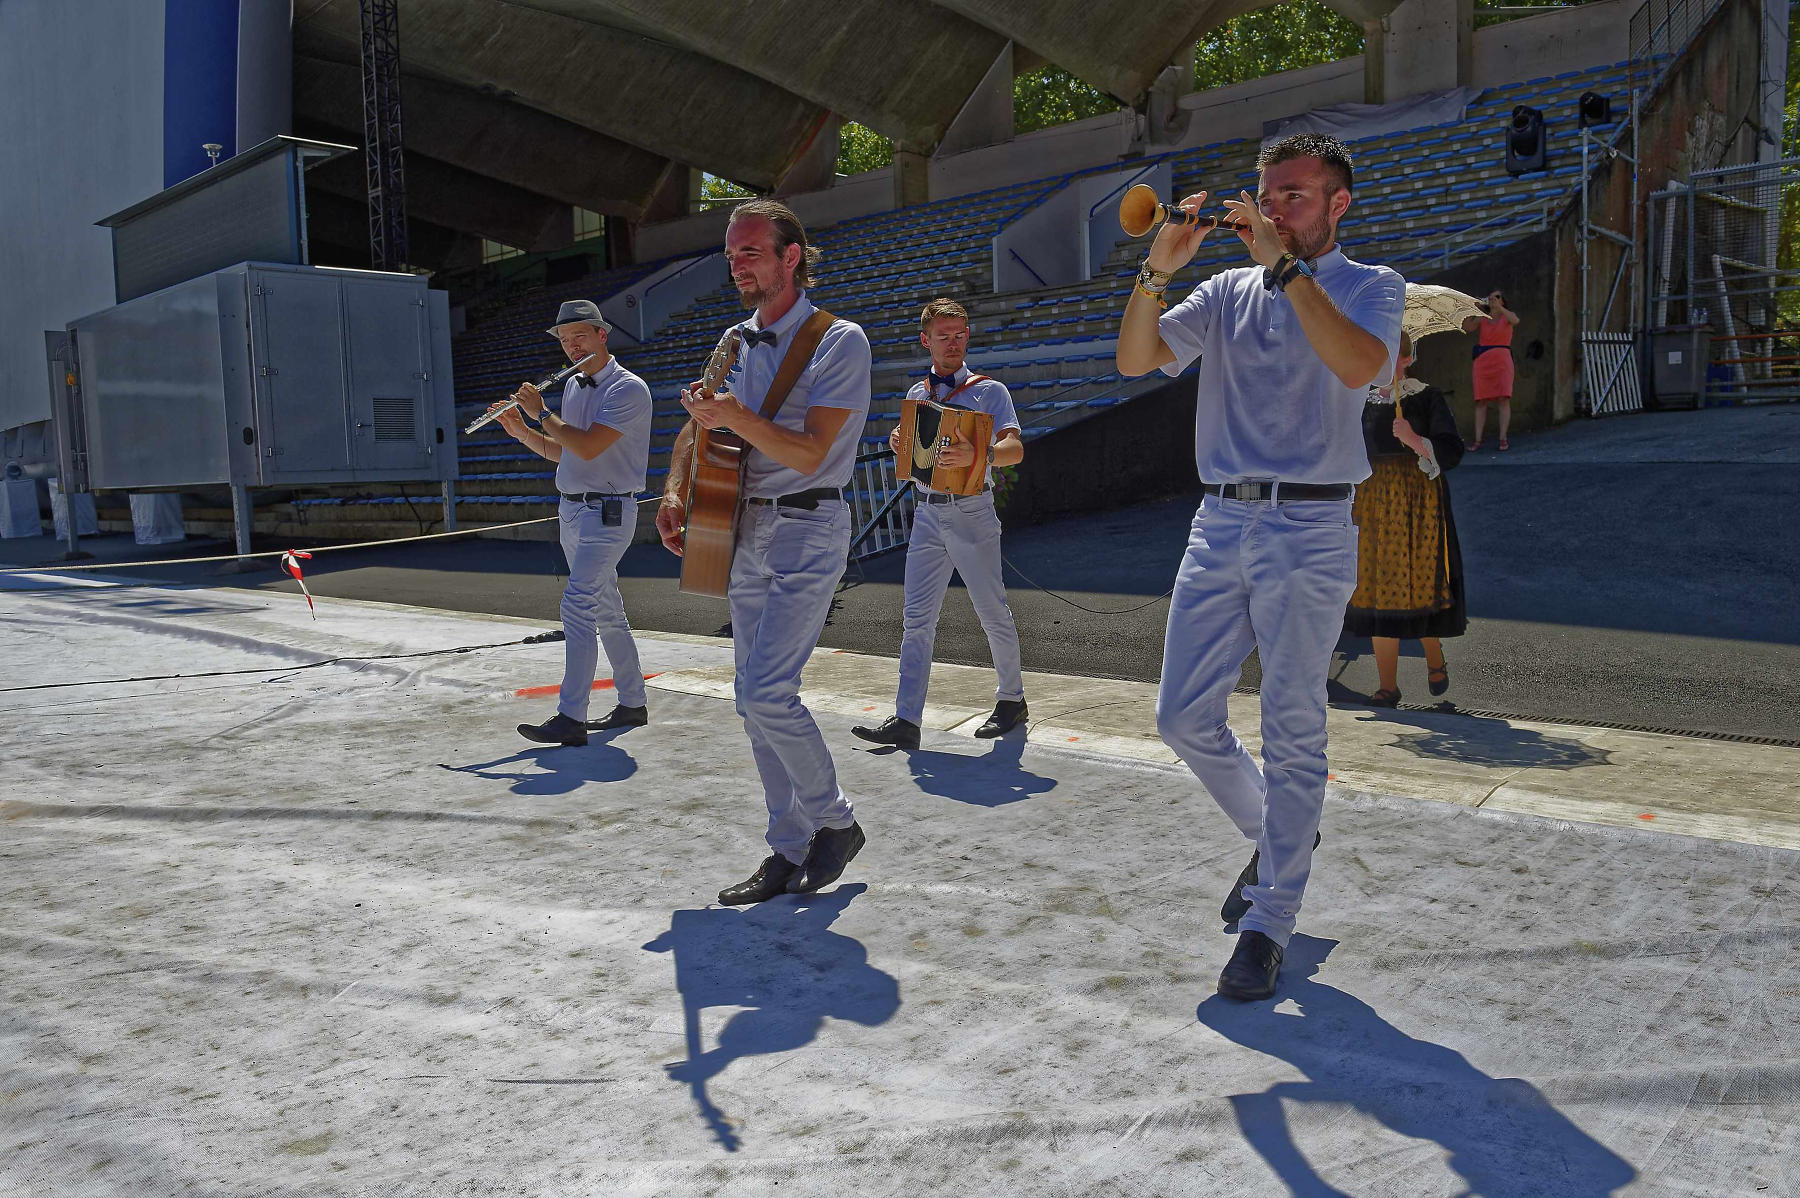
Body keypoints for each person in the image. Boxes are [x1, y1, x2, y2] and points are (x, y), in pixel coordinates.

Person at [1115, 133, 1403, 1002]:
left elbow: (1360, 366)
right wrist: (1157, 271)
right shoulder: (1223, 290)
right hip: (1220, 518)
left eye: (1296, 196)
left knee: (1292, 726)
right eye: (1268, 194)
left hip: (1310, 525)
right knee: (1181, 717)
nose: (1275, 209)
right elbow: (1134, 359)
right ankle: (1283, 835)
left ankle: (1270, 920)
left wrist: (1285, 270)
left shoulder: (1370, 287)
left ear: (1338, 203)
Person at [656, 200, 872, 906]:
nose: (738, 263)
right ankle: (787, 846)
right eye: (731, 253)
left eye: (751, 251)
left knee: (766, 691)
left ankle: (836, 824)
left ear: (792, 256)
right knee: (753, 705)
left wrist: (735, 417)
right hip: (740, 524)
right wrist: (673, 489)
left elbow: (812, 454)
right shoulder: (732, 340)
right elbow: (701, 428)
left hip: (808, 526)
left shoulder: (840, 340)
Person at [852, 298, 1028, 751]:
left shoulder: (989, 391)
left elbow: (1016, 451)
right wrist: (900, 442)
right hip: (927, 511)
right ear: (925, 340)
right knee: (916, 619)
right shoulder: (917, 394)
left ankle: (1012, 699)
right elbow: (917, 458)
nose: (953, 343)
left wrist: (981, 453)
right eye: (943, 336)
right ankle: (907, 718)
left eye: (960, 334)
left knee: (991, 610)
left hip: (971, 509)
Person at [488, 300, 652, 748]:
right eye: (563, 339)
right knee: (606, 610)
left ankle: (570, 716)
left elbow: (590, 444)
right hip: (574, 509)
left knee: (578, 606)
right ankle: (633, 702)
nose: (570, 345)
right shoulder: (575, 389)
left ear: (603, 334)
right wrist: (521, 430)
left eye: (578, 335)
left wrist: (540, 412)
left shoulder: (628, 389)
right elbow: (566, 451)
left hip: (609, 512)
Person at [1345, 331, 1467, 707]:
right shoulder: (1359, 401)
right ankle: (1388, 687)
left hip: (1416, 503)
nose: (1384, 366)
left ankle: (1434, 657)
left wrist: (1414, 439)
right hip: (1370, 503)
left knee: (1415, 586)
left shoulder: (1425, 396)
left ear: (1406, 359)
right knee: (1378, 589)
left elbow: (1451, 449)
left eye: (1392, 357)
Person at [1466, 290, 1519, 450]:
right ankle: (1477, 440)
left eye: (1497, 297)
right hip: (1483, 361)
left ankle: (1503, 438)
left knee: (1504, 399)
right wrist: (1472, 308)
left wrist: (1499, 308)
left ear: (1503, 301)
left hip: (1502, 361)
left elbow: (1515, 320)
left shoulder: (1507, 315)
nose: (1492, 299)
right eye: (1490, 297)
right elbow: (1469, 327)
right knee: (1481, 401)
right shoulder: (1484, 317)